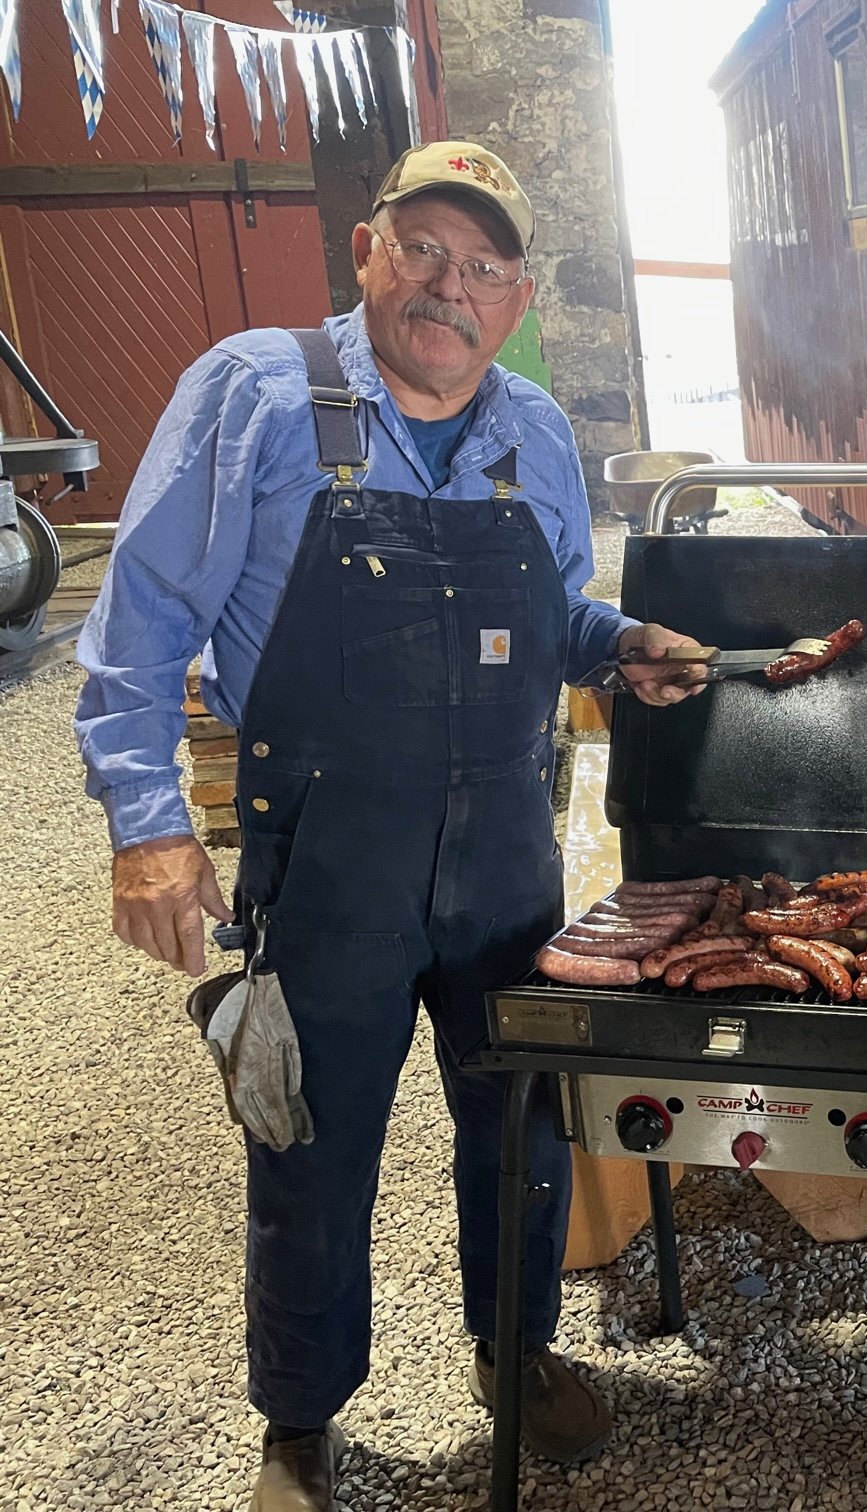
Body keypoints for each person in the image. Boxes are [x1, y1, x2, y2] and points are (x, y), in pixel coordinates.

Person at [74, 141, 704, 1511]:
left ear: (518, 294)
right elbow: (136, 634)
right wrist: (144, 824)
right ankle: (301, 1421)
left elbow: (546, 620)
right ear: (368, 251)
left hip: (503, 867)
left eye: (484, 266)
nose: (449, 285)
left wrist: (619, 646)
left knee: (521, 1121)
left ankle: (513, 1348)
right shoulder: (251, 392)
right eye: (423, 247)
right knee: (310, 1141)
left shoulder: (533, 429)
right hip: (329, 870)